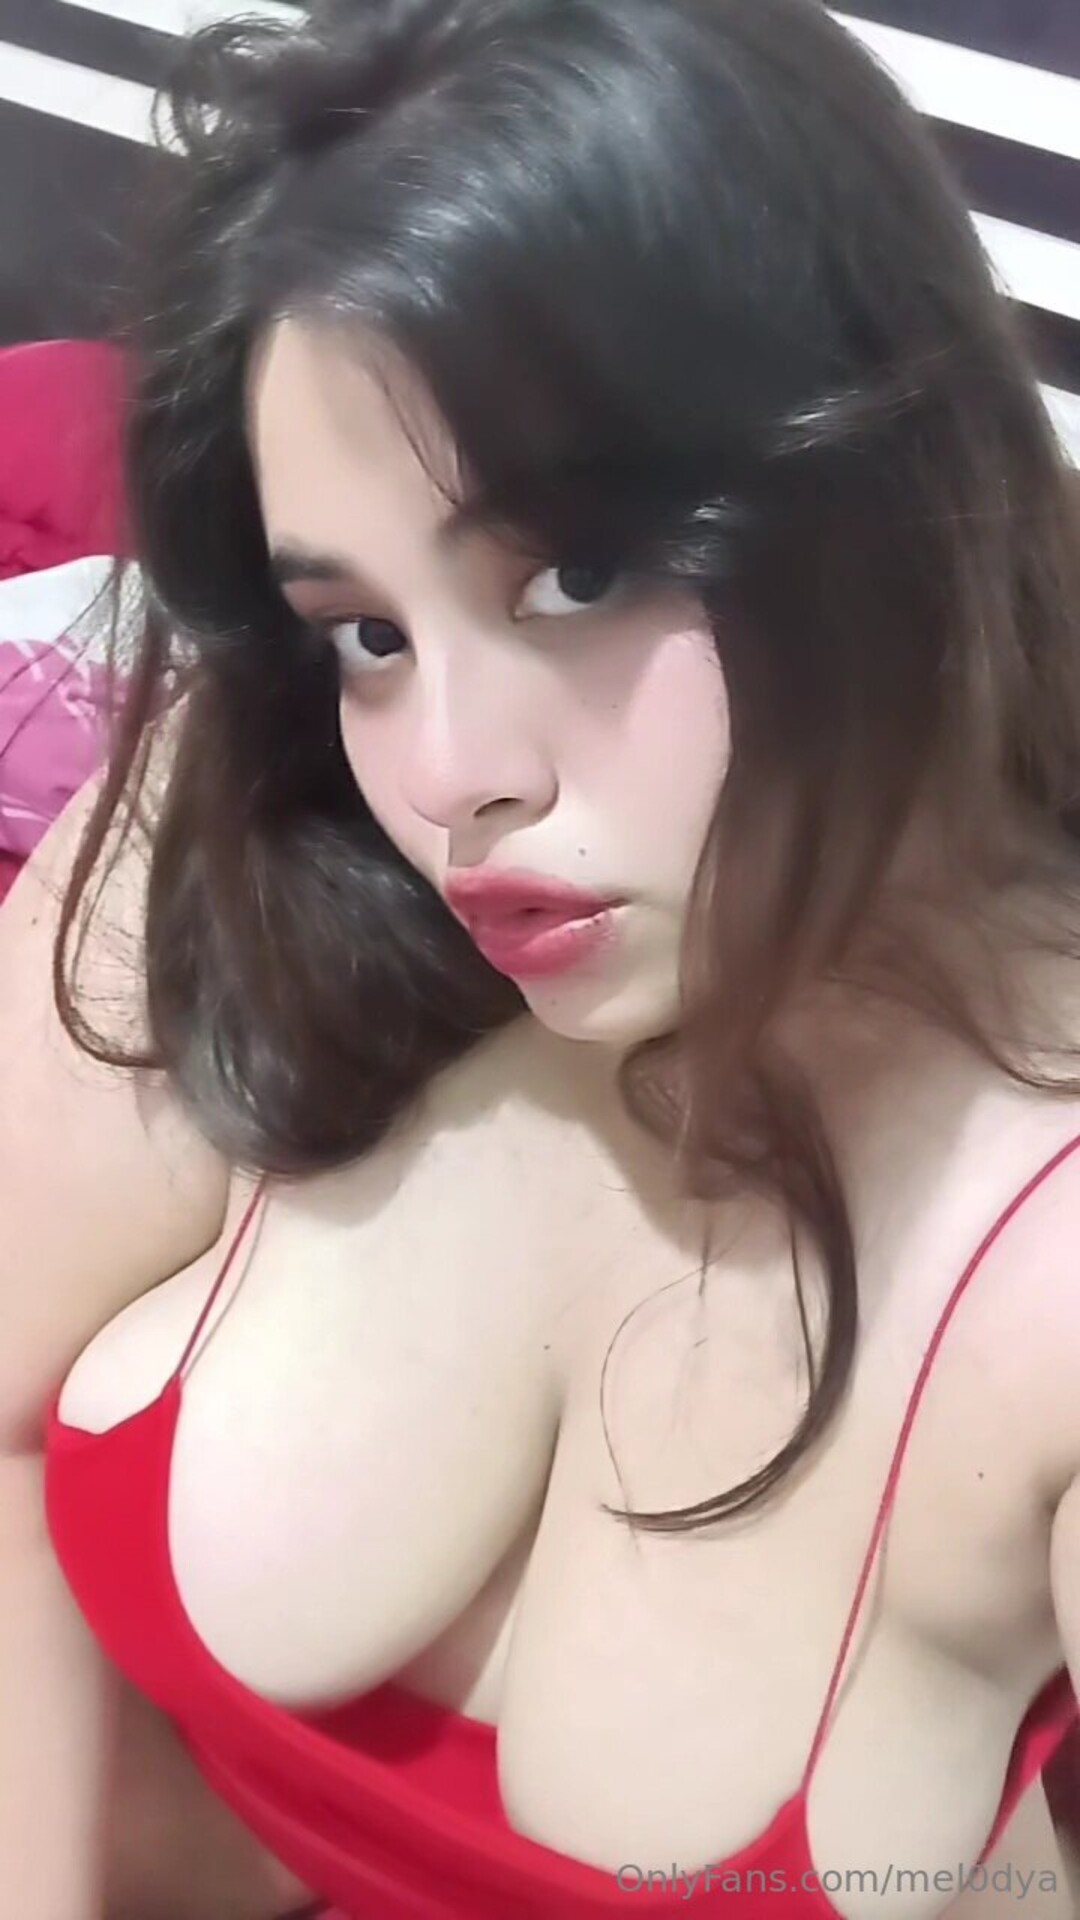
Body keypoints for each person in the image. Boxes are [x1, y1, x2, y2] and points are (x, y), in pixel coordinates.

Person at [2, 0, 1080, 1914]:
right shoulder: (246, 818)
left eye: (577, 575)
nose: (450, 777)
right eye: (366, 632)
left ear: (896, 489)